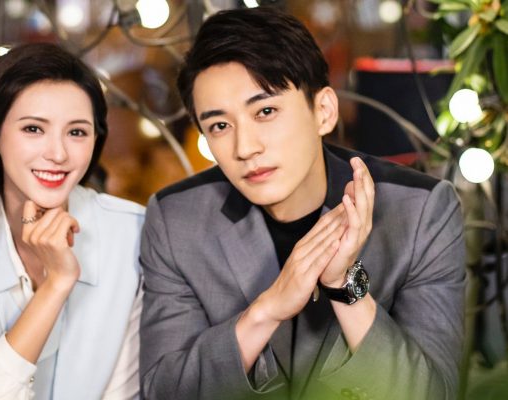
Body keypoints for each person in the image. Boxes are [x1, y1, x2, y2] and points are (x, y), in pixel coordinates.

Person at [139, 7, 465, 400]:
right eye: (220, 126)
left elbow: (433, 394)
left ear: (323, 111)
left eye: (266, 111)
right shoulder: (176, 220)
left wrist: (345, 285)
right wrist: (266, 311)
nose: (245, 148)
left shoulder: (420, 212)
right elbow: (165, 392)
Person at [0, 43, 144, 400]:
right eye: (34, 129)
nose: (58, 153)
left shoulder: (131, 234)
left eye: (77, 132)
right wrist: (55, 286)